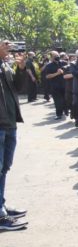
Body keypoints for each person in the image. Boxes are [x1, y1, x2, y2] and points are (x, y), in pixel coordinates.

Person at [0, 40, 28, 231]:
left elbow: (18, 87)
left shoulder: (5, 65)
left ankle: (1, 205)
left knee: (4, 168)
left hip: (9, 123)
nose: (6, 48)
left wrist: (21, 68)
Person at [44, 50, 67, 119]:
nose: (57, 57)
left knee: (65, 99)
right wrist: (57, 73)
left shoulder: (64, 63)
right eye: (55, 56)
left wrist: (63, 72)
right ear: (51, 57)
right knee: (57, 101)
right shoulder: (49, 66)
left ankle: (66, 110)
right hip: (55, 86)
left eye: (57, 55)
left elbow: (69, 72)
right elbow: (47, 76)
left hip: (64, 85)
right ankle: (59, 114)